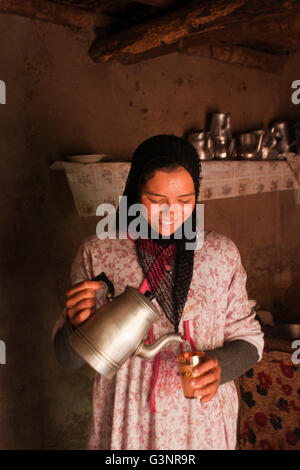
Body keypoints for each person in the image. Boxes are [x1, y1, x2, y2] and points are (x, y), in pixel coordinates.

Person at [52, 134, 264, 450]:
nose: (171, 214)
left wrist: (220, 366)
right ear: (135, 193)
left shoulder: (220, 254)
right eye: (156, 200)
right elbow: (68, 360)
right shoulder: (101, 253)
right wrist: (74, 324)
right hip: (128, 419)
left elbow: (250, 339)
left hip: (200, 421)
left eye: (184, 200)